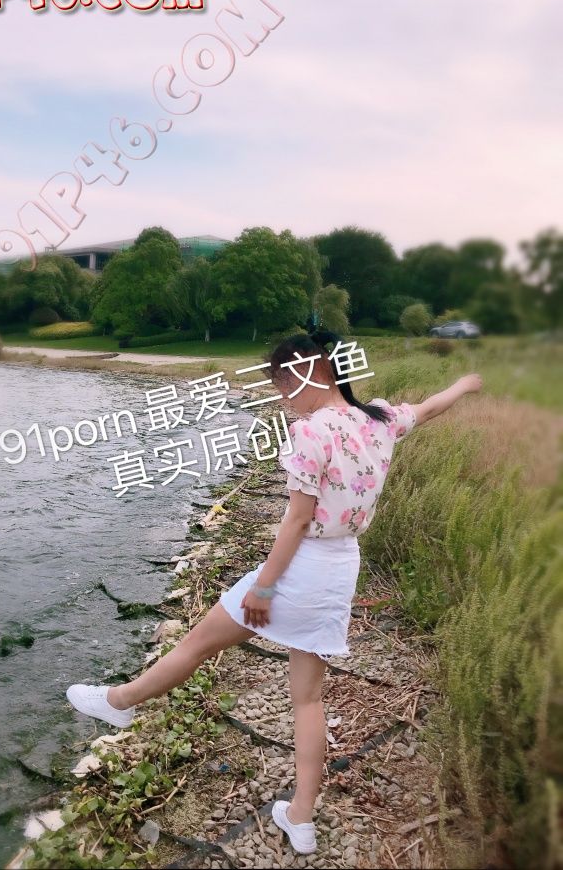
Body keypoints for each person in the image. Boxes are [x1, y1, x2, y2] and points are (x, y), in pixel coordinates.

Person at [66, 329, 483, 855]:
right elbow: (429, 407)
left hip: (298, 568)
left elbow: (297, 521)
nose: (283, 399)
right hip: (340, 571)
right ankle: (301, 819)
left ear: (308, 375)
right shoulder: (377, 417)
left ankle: (119, 702)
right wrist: (465, 384)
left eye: (284, 386)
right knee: (308, 699)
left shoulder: (310, 432)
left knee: (196, 644)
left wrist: (263, 587)